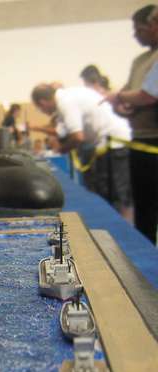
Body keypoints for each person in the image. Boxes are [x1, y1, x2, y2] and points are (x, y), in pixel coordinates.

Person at [31, 83, 133, 221]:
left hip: (114, 144)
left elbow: (77, 137)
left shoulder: (66, 102)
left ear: (42, 103)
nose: (44, 112)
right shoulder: (69, 96)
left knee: (116, 193)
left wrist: (62, 149)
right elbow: (62, 131)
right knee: (106, 191)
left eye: (40, 109)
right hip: (109, 142)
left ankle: (122, 227)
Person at [102, 5, 158, 243]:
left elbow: (148, 96)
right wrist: (121, 103)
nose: (136, 35)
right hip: (141, 140)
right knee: (144, 207)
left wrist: (120, 97)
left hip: (153, 140)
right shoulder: (140, 61)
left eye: (140, 29)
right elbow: (128, 96)